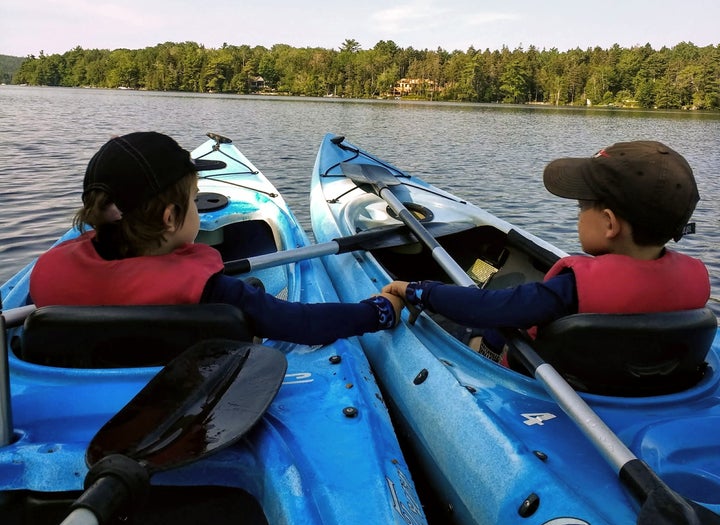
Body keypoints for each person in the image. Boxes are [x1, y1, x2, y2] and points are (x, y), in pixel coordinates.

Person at [29, 131, 403, 345]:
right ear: (171, 217)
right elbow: (302, 323)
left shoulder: (50, 274)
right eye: (194, 201)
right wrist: (379, 311)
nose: (198, 209)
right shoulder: (214, 292)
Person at [382, 140, 711, 361]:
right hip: (628, 374)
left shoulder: (570, 290)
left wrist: (418, 290)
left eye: (583, 206)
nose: (579, 213)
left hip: (543, 374)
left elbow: (487, 307)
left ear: (609, 224)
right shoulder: (695, 280)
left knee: (466, 325)